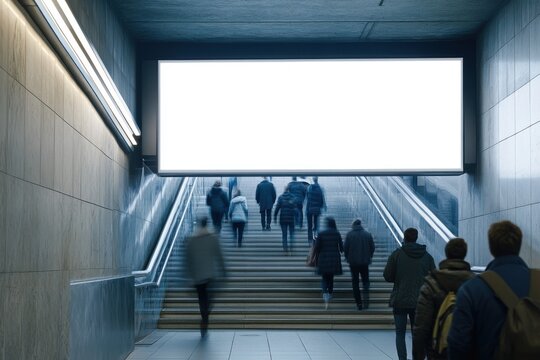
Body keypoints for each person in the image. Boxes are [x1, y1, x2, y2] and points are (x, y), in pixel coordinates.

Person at [447, 221, 532, 360]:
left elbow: (458, 344)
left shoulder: (471, 290)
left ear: (491, 248)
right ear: (519, 245)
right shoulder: (537, 282)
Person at [413, 238, 475, 360]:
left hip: (437, 352)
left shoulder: (431, 284)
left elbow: (421, 328)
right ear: (464, 254)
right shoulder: (475, 285)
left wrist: (418, 356)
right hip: (467, 352)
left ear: (446, 253)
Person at [384, 227, 436, 360]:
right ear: (416, 238)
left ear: (404, 238)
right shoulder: (427, 257)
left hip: (400, 299)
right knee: (417, 333)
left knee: (400, 333)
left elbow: (387, 276)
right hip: (420, 302)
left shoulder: (396, 255)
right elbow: (433, 278)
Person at [184, 216, 226, 337]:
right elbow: (219, 256)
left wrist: (189, 276)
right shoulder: (213, 238)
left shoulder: (192, 240)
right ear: (207, 224)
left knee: (202, 299)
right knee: (209, 300)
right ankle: (205, 318)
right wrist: (224, 271)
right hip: (210, 276)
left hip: (198, 277)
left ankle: (204, 318)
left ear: (198, 224)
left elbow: (188, 260)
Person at [344, 219, 375, 310]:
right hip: (365, 262)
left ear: (353, 225)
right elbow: (372, 248)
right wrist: (369, 256)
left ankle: (359, 304)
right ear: (361, 225)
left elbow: (346, 248)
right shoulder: (367, 234)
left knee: (355, 282)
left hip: (353, 263)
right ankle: (366, 302)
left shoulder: (350, 234)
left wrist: (347, 257)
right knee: (365, 282)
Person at [314, 217, 344, 309]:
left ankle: (325, 293)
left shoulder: (321, 233)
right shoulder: (337, 233)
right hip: (334, 258)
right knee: (331, 277)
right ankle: (330, 292)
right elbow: (341, 248)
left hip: (323, 258)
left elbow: (317, 248)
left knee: (324, 277)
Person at [274, 185, 297, 253]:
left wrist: (275, 216)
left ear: (284, 190)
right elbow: (296, 209)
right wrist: (297, 218)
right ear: (289, 190)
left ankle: (285, 249)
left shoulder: (281, 197)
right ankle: (292, 247)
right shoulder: (293, 197)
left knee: (284, 234)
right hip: (291, 218)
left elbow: (277, 208)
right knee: (292, 234)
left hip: (283, 218)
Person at [306, 176, 326, 243]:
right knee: (316, 224)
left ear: (313, 180)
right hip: (317, 209)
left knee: (309, 225)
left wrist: (307, 209)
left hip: (310, 209)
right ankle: (316, 237)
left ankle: (309, 238)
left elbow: (307, 199)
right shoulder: (320, 188)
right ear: (317, 180)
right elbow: (321, 199)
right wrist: (322, 206)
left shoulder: (309, 188)